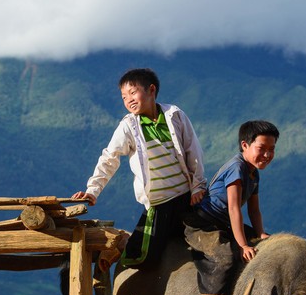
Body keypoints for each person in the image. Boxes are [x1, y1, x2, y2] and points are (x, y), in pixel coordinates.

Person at [71, 68, 207, 269]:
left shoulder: (174, 116)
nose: (129, 100)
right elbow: (110, 158)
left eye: (133, 93)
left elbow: (193, 151)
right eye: (124, 97)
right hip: (159, 204)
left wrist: (198, 186)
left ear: (151, 90)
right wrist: (92, 191)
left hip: (186, 197)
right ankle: (121, 244)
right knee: (142, 256)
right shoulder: (128, 127)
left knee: (213, 235)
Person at [187, 120, 279, 295]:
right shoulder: (237, 168)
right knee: (225, 255)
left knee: (264, 243)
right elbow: (234, 209)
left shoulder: (254, 173)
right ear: (245, 145)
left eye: (271, 150)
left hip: (224, 223)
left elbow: (254, 210)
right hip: (204, 223)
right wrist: (243, 245)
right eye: (261, 149)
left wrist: (260, 233)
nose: (267, 155)